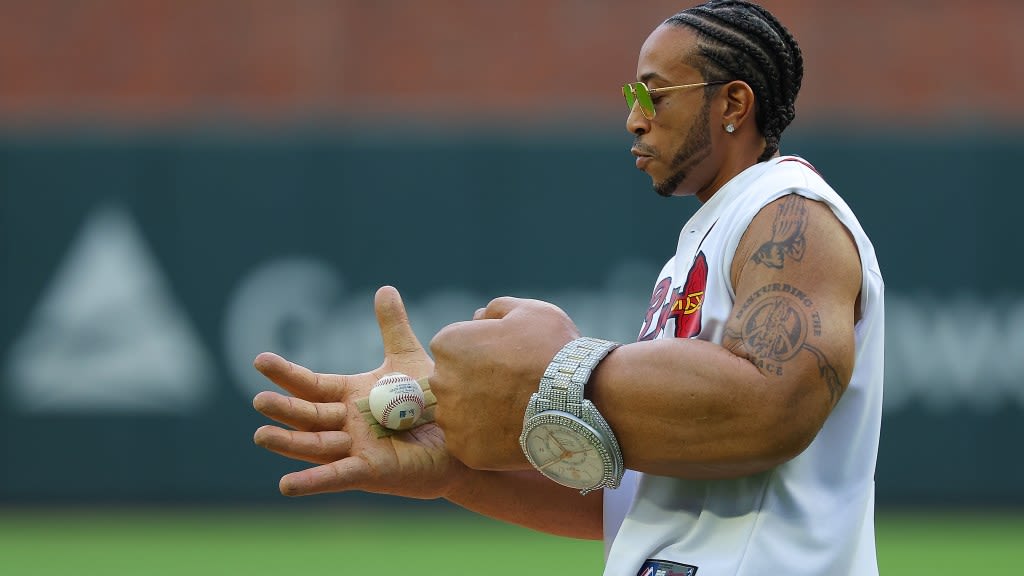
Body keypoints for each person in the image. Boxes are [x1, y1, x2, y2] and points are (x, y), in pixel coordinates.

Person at [251, 1, 884, 574]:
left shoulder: (790, 211)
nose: (635, 119)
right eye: (632, 93)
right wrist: (457, 467)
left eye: (656, 94)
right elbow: (632, 500)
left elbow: (774, 405)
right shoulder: (706, 237)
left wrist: (557, 369)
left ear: (733, 105)